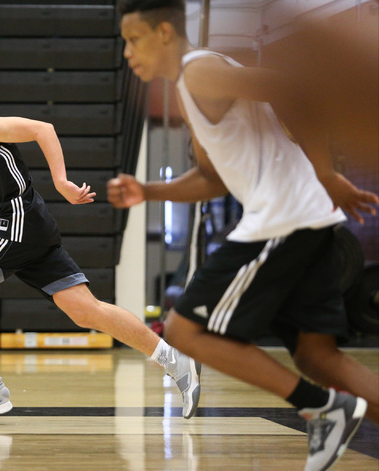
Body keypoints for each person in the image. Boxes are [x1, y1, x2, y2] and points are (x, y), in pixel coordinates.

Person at [108, 1, 378, 470]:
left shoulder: (199, 72)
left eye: (134, 39)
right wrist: (147, 190)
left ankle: (323, 407)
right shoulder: (193, 86)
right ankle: (326, 399)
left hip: (283, 222)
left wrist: (327, 173)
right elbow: (212, 178)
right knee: (319, 359)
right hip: (306, 220)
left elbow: (292, 87)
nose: (128, 52)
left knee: (184, 330)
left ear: (166, 34)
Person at [0, 87, 201, 420]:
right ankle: (174, 359)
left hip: (18, 220)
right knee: (86, 311)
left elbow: (43, 129)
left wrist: (61, 182)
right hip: (32, 228)